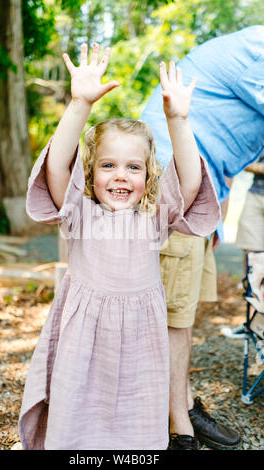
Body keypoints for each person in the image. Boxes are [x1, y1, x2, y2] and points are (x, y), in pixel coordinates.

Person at [18, 43, 220, 450]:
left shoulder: (153, 217)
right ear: (90, 173)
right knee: (79, 411)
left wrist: (178, 119)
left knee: (137, 414)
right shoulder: (79, 211)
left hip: (140, 337)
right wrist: (78, 104)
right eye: (108, 165)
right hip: (85, 335)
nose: (120, 176)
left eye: (133, 167)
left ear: (149, 175)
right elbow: (58, 165)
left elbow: (190, 182)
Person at [141, 25, 264, 450]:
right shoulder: (260, 50)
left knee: (181, 313)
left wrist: (215, 213)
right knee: (172, 314)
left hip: (199, 183)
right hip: (172, 176)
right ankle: (176, 430)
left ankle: (178, 409)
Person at [222, 153, 264, 339]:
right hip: (256, 193)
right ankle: (255, 325)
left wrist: (255, 166)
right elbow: (241, 159)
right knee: (252, 266)